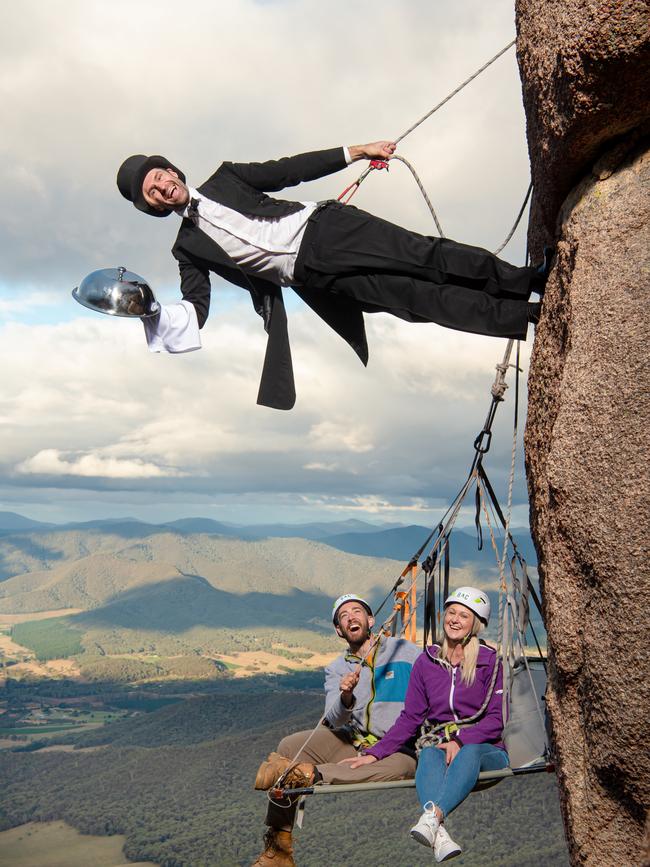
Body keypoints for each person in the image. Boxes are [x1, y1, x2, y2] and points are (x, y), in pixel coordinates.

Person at [116, 143, 546, 410]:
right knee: (415, 301)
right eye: (150, 194)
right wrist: (149, 311)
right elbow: (197, 305)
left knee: (425, 256)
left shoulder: (226, 177)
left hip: (327, 229)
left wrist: (357, 151)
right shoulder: (186, 248)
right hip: (314, 277)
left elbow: (289, 169)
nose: (158, 189)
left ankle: (524, 281)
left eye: (158, 177)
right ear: (154, 207)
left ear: (172, 171)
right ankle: (521, 317)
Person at [251, 592, 422, 866]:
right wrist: (346, 696)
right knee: (288, 748)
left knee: (401, 769)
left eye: (356, 611)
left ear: (370, 619)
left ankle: (309, 774)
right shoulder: (337, 669)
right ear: (339, 631)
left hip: (398, 747)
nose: (351, 617)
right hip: (353, 739)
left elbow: (438, 675)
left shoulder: (405, 652)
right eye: (343, 616)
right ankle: (279, 847)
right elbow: (333, 719)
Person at [343, 585, 508, 862]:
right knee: (429, 752)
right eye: (451, 613)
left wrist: (461, 740)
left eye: (464, 616)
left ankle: (433, 819)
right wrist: (376, 753)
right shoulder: (427, 662)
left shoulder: (490, 663)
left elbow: (496, 719)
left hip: (486, 750)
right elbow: (411, 718)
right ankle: (437, 830)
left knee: (467, 751)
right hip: (441, 747)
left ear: (476, 624)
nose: (454, 619)